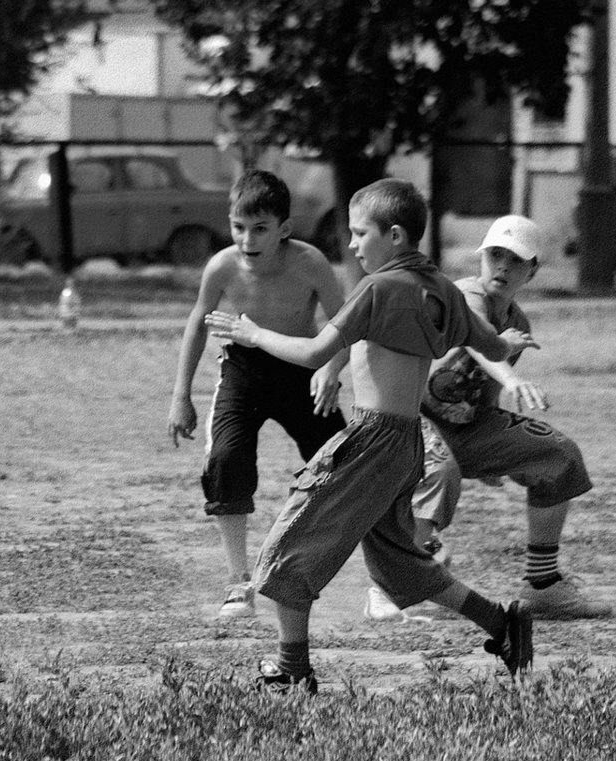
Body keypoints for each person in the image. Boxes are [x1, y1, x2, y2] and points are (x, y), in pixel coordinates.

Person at [205, 178, 537, 692]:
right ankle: (503, 625)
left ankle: (292, 670)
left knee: (288, 544)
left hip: (371, 437)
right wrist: (509, 340)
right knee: (400, 565)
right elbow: (492, 347)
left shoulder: (379, 288)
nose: (354, 245)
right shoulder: (446, 291)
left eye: (361, 234)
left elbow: (315, 351)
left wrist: (253, 334)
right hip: (407, 444)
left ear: (396, 235)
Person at [362, 215, 611, 623]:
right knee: (441, 471)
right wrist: (511, 375)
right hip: (409, 417)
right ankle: (386, 589)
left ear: (532, 272)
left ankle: (542, 585)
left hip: (468, 427)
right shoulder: (463, 294)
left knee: (558, 456)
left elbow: (483, 392)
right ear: (481, 258)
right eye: (495, 255)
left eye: (516, 261)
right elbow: (473, 339)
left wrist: (498, 453)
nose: (503, 267)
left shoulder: (518, 324)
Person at [167, 170, 349, 616]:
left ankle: (376, 575)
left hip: (300, 367)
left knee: (346, 465)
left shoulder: (310, 262)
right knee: (226, 459)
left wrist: (330, 367)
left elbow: (346, 324)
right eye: (238, 227)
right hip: (244, 370)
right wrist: (180, 396)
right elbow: (197, 321)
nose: (247, 238)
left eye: (260, 228)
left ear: (284, 229)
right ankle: (237, 582)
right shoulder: (222, 265)